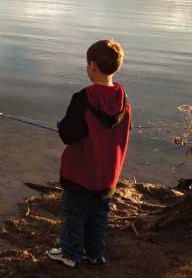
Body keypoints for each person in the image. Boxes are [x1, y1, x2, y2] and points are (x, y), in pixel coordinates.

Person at [48, 39, 131, 269]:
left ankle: (70, 253)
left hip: (80, 173)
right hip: (107, 175)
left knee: (74, 214)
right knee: (98, 215)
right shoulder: (123, 101)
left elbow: (69, 135)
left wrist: (61, 127)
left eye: (87, 65)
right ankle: (95, 253)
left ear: (92, 66)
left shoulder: (83, 98)